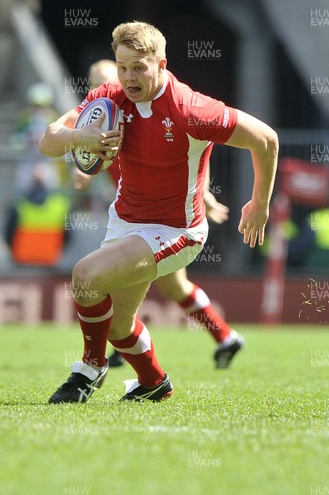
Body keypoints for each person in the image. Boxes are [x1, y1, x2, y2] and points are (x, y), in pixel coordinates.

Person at [39, 21, 278, 403]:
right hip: (126, 221)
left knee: (85, 277)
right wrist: (78, 137)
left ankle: (88, 368)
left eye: (138, 67)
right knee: (118, 326)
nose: (128, 77)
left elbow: (266, 139)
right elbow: (49, 140)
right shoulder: (111, 97)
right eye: (122, 67)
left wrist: (260, 204)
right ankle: (155, 384)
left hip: (176, 230)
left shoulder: (190, 108)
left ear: (161, 64)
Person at [76, 59, 244, 370]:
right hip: (135, 220)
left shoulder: (143, 110)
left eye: (103, 79)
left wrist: (203, 194)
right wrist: (87, 170)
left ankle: (119, 354)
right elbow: (105, 159)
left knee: (136, 285)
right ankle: (224, 338)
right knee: (170, 287)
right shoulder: (105, 116)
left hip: (162, 223)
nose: (97, 87)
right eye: (92, 82)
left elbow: (190, 151)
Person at [4, 163, 71, 265]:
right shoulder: (62, 204)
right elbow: (68, 236)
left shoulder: (19, 203)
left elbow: (8, 233)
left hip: (22, 260)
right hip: (49, 260)